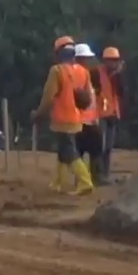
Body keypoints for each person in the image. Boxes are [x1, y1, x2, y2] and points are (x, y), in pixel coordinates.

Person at [31, 36, 95, 196]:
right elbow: (88, 98)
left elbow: (48, 96)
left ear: (59, 53)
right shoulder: (84, 72)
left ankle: (85, 181)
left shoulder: (57, 71)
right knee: (62, 150)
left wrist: (38, 114)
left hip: (62, 118)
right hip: (77, 118)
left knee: (68, 151)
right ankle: (58, 182)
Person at [72, 43, 105, 184]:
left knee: (90, 149)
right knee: (86, 149)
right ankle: (87, 179)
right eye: (84, 58)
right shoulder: (76, 74)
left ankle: (90, 178)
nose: (87, 61)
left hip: (88, 119)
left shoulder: (88, 74)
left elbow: (95, 94)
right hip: (80, 120)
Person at [96, 46, 125, 183]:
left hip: (113, 113)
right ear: (105, 61)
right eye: (111, 61)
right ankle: (98, 175)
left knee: (108, 147)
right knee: (100, 147)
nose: (114, 63)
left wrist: (118, 76)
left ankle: (105, 175)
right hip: (100, 114)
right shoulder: (97, 73)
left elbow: (122, 93)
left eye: (116, 61)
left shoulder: (117, 77)